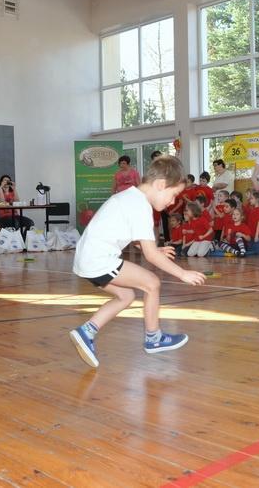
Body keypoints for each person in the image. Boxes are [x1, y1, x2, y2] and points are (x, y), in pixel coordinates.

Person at [69, 156, 205, 368]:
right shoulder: (140, 206)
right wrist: (182, 273)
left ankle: (86, 331)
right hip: (98, 259)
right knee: (152, 283)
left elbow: (133, 237)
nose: (172, 203)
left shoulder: (129, 197)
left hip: (86, 258)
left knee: (126, 296)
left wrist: (153, 248)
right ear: (160, 185)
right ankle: (154, 338)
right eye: (173, 195)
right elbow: (151, 256)